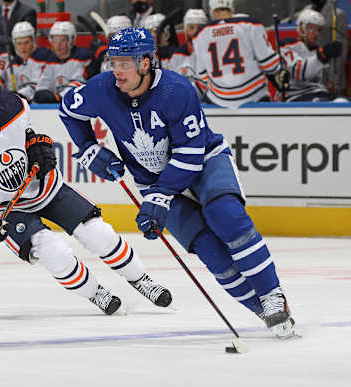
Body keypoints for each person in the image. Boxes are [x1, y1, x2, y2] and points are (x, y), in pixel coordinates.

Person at [58, 27, 296, 338]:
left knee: (226, 217)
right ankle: (262, 309)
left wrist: (160, 196)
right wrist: (88, 147)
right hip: (153, 181)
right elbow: (67, 109)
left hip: (204, 163)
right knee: (210, 250)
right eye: (113, 62)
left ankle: (272, 294)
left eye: (124, 63)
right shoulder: (102, 88)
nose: (116, 71)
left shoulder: (176, 90)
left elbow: (190, 153)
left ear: (146, 63)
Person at [0, 70, 172, 315]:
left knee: (98, 233)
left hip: (45, 186)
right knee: (53, 251)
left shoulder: (12, 106)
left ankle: (141, 279)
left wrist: (35, 143)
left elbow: (26, 132)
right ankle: (96, 293)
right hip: (7, 210)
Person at [192, 0, 289, 107]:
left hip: (219, 101)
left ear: (211, 10)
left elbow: (203, 76)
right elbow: (270, 65)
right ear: (232, 8)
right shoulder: (250, 25)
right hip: (254, 97)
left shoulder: (201, 34)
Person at [281, 9, 346, 102]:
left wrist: (331, 83)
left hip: (319, 93)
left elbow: (322, 81)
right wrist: (323, 55)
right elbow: (300, 73)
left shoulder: (318, 50)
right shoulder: (287, 46)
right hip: (296, 96)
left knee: (343, 102)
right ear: (301, 28)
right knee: (322, 103)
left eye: (318, 30)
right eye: (312, 29)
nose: (316, 34)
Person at [34, 22, 95, 103]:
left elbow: (79, 83)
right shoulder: (51, 61)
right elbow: (43, 85)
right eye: (55, 40)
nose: (58, 45)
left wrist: (60, 97)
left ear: (72, 40)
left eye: (62, 40)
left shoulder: (82, 57)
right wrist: (42, 93)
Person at [0, 21, 50, 101]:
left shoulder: (42, 57)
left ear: (33, 41)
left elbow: (36, 87)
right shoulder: (12, 64)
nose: (23, 47)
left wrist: (16, 96)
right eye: (19, 43)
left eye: (26, 42)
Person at [305, 0, 348, 96]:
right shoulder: (306, 12)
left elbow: (341, 50)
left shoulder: (338, 15)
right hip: (309, 77)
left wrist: (333, 80)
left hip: (329, 78)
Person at [167, 9, 208, 96]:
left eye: (200, 27)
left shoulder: (212, 54)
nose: (195, 32)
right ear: (185, 30)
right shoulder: (177, 55)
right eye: (191, 28)